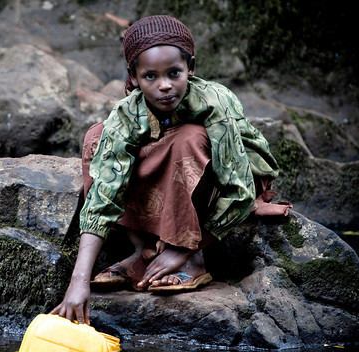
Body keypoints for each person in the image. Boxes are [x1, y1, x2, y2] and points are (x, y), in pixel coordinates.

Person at [51, 15, 291, 325]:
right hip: (172, 167)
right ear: (134, 77)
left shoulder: (213, 103)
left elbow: (239, 188)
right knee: (97, 138)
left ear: (190, 67)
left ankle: (191, 259)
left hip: (225, 179)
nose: (164, 85)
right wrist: (78, 282)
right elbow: (103, 193)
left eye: (174, 73)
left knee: (188, 139)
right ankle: (144, 252)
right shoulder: (129, 113)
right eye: (150, 76)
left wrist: (187, 248)